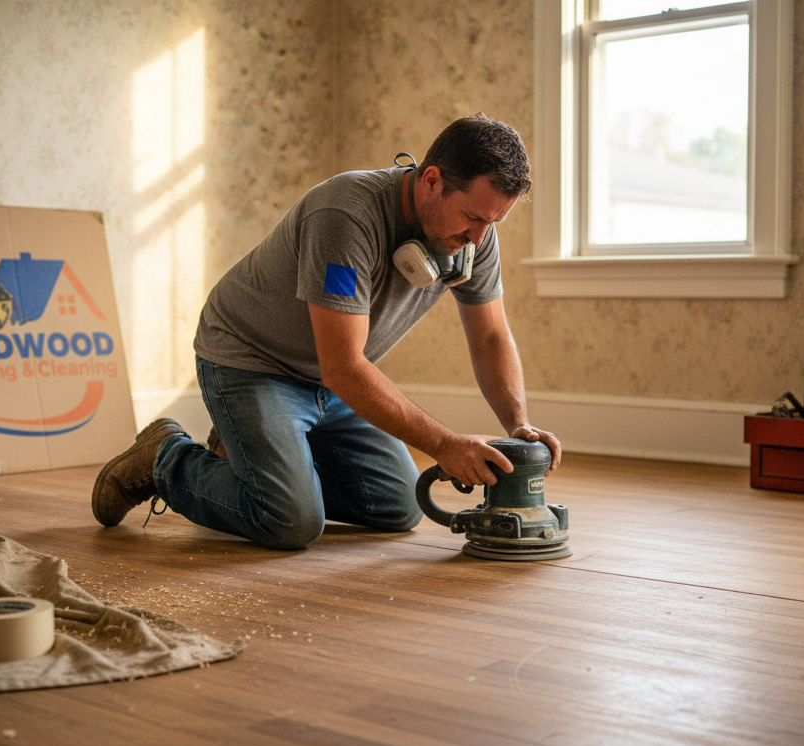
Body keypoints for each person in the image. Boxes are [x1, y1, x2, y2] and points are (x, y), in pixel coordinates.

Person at [91, 113, 562, 550]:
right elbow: (344, 366)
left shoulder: (476, 236)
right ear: (432, 181)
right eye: (474, 218)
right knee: (290, 521)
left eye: (493, 222)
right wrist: (444, 444)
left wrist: (517, 424)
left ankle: (251, 458)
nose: (479, 238)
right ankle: (163, 459)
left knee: (399, 504)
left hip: (328, 377)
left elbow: (491, 337)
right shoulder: (346, 215)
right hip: (251, 362)